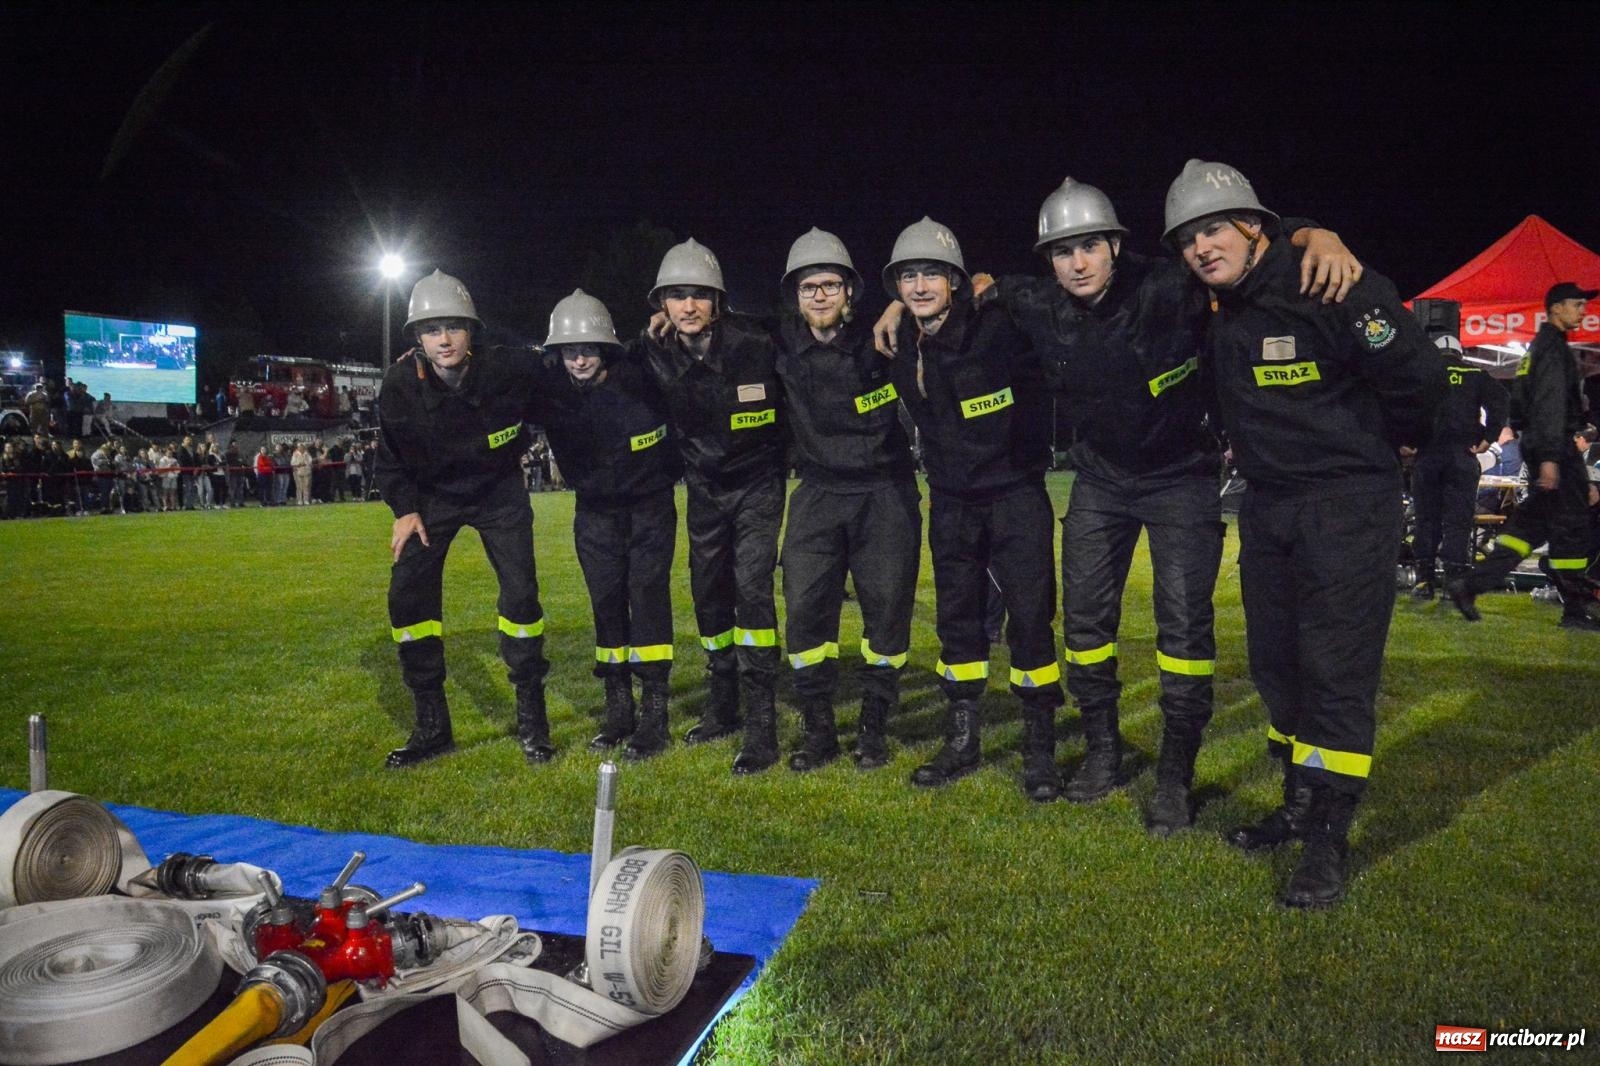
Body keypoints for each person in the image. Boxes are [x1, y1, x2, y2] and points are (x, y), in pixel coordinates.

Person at [877, 180, 1362, 822]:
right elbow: (977, 286)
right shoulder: (1037, 301)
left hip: (1181, 479)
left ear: (1113, 245)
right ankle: (1103, 752)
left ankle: (1173, 775)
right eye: (1061, 252)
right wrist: (896, 311)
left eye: (1088, 248)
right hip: (1100, 482)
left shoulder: (1173, 286)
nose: (1076, 264)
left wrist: (1313, 231)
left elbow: (1248, 250)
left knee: (1184, 629)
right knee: (1084, 628)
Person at [1166, 158, 1445, 907]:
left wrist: (1398, 445)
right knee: (1277, 665)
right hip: (1268, 505)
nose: (1200, 247)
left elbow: (1418, 379)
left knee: (1335, 670)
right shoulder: (1216, 302)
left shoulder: (1330, 280)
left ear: (1254, 227)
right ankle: (1295, 806)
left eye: (1213, 228)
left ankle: (1327, 835)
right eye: (1188, 237)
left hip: (1347, 503)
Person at [880, 217, 1063, 793]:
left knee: (1032, 620)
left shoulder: (1000, 325)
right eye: (908, 277)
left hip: (1016, 497)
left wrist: (1000, 284)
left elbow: (1056, 299)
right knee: (957, 623)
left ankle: (1039, 750)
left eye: (932, 273)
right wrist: (889, 314)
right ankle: (961, 740)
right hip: (953, 505)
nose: (919, 286)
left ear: (956, 280)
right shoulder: (899, 341)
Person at [376, 269, 553, 768]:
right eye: (432, 330)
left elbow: (569, 372)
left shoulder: (510, 369)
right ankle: (432, 724)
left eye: (454, 326)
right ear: (417, 338)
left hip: (499, 490)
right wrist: (405, 510)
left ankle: (531, 721)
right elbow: (389, 457)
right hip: (431, 498)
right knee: (407, 595)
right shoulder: (397, 386)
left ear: (472, 330)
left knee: (521, 595)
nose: (445, 338)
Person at [763, 228, 921, 777]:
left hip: (886, 493)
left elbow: (968, 294)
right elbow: (719, 333)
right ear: (795, 296)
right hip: (818, 495)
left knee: (887, 610)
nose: (821, 295)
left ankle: (874, 725)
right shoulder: (779, 343)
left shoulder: (888, 335)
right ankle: (819, 726)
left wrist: (901, 300)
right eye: (809, 287)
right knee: (804, 610)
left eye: (831, 284)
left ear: (850, 291)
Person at [636, 239, 784, 749]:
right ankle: (724, 703)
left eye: (699, 294)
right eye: (676, 296)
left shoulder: (758, 341)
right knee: (708, 595)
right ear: (662, 304)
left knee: (753, 591)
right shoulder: (652, 352)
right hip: (703, 491)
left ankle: (762, 719)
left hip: (758, 485)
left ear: (718, 301)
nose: (688, 306)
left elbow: (823, 332)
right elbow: (587, 364)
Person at [536, 290, 683, 760]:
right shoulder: (550, 390)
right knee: (605, 604)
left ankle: (654, 714)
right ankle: (618, 709)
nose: (578, 359)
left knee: (648, 599)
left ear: (607, 349)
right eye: (569, 350)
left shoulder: (641, 375)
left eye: (589, 349)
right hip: (594, 512)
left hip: (650, 507)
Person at [1447, 283, 1600, 631]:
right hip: (1557, 451)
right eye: (1577, 305)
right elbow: (1549, 403)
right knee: (1572, 530)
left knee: (1527, 529)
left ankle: (1469, 585)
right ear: (1557, 308)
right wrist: (1550, 457)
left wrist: (1539, 451)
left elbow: (1520, 408)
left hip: (1544, 447)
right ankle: (1575, 611)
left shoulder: (1537, 349)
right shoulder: (1552, 349)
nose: (1582, 311)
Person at [1404, 334, 1508, 600]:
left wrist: (1406, 439)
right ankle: (1454, 582)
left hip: (1427, 455)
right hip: (1462, 455)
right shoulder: (1476, 375)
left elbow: (1401, 404)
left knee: (1426, 518)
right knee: (1458, 521)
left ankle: (1424, 580)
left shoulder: (1423, 373)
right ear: (1460, 354)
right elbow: (1501, 401)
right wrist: (1489, 437)